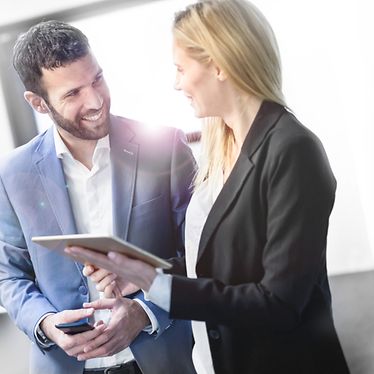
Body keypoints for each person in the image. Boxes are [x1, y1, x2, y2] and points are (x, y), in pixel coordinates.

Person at [67, 1, 351, 373]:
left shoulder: (293, 149)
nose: (176, 83)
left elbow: (279, 303)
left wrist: (158, 285)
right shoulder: (223, 145)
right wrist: (139, 273)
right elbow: (221, 266)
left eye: (181, 68)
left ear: (219, 64)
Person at [0, 20, 197, 374]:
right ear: (38, 103)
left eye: (97, 79)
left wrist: (145, 312)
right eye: (72, 93)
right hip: (65, 365)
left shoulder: (166, 147)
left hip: (161, 359)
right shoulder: (12, 174)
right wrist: (46, 325)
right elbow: (9, 275)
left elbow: (200, 255)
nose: (95, 100)